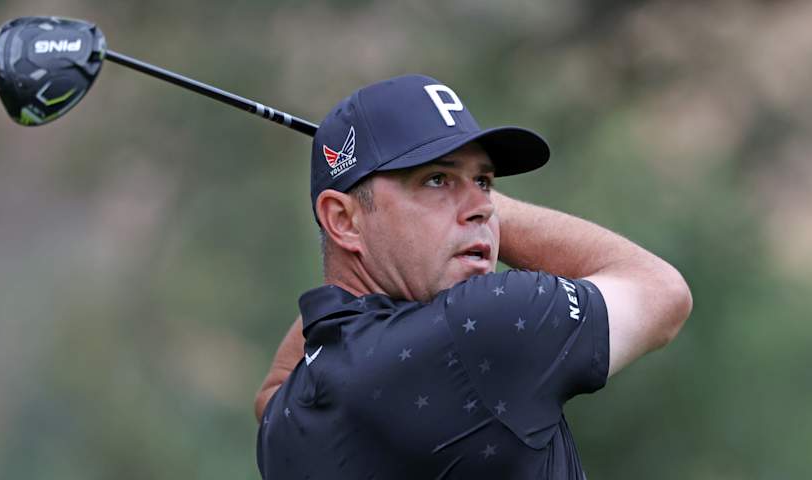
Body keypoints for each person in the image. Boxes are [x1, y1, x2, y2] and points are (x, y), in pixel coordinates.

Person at [254, 74, 692, 479]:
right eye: (437, 179)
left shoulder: (286, 417)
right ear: (342, 221)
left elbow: (277, 384)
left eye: (484, 181)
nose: (484, 206)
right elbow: (661, 291)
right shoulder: (482, 323)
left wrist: (386, 209)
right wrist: (488, 211)